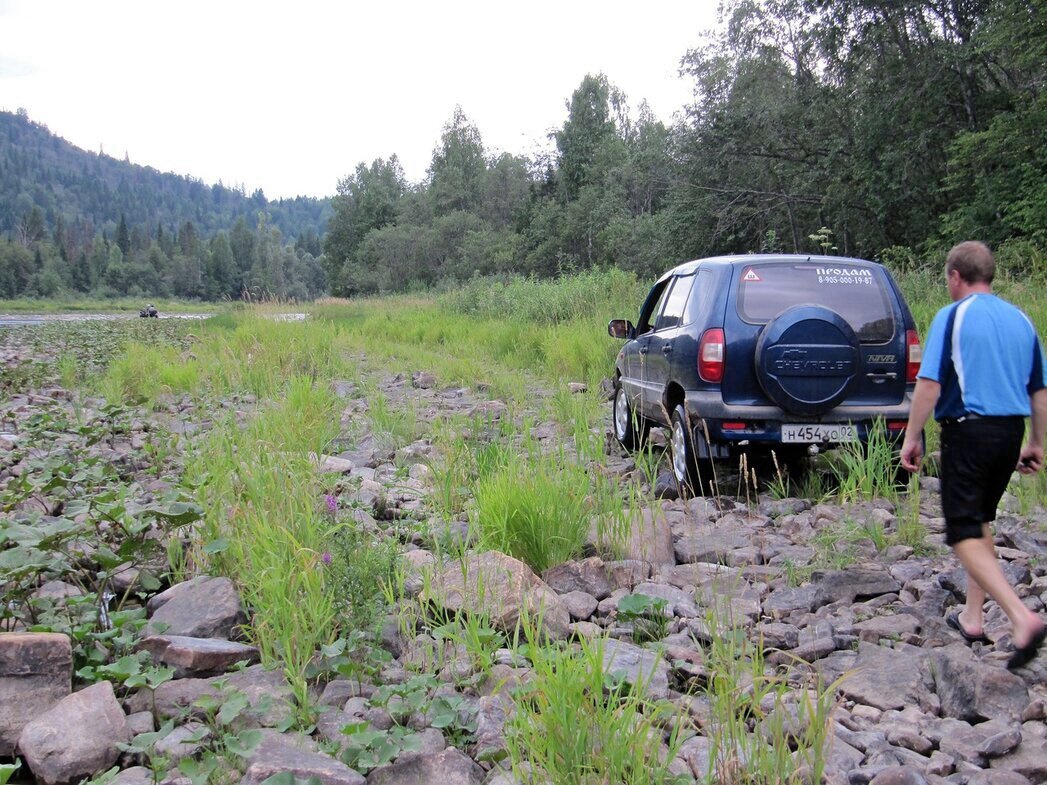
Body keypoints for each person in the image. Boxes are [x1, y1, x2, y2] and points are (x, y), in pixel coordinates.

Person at [901, 240, 1047, 670]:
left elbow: (929, 384)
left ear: (954, 276)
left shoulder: (952, 316)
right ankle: (972, 617)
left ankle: (1022, 618)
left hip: (968, 430)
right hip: (1009, 432)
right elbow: (1039, 391)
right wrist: (1036, 443)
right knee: (980, 520)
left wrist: (912, 437)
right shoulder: (1021, 319)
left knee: (962, 530)